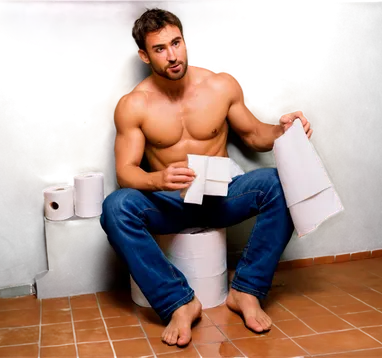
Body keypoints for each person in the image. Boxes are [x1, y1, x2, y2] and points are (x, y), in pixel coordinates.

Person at [101, 7, 314, 347]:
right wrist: (159, 180)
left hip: (221, 195)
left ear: (186, 42)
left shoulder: (219, 86)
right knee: (115, 207)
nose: (172, 56)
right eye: (160, 49)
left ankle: (246, 290)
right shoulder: (135, 104)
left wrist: (284, 130)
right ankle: (179, 302)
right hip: (170, 202)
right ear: (144, 55)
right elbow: (125, 173)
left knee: (278, 182)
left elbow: (255, 134)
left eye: (176, 43)